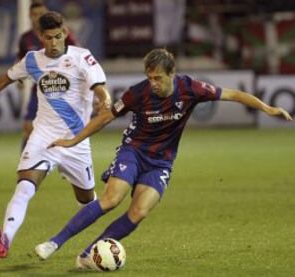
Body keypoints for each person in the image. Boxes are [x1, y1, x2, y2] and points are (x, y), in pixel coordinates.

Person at [34, 48, 293, 269]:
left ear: (171, 74)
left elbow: (235, 94)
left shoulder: (191, 88)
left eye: (157, 78)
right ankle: (54, 242)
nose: (153, 83)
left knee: (138, 212)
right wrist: (73, 140)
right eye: (149, 77)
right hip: (133, 151)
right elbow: (106, 118)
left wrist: (268, 109)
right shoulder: (137, 93)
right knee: (112, 199)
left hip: (161, 161)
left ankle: (89, 254)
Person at [0, 11, 111, 258]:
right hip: (43, 137)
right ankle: (6, 238)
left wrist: (105, 101)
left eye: (58, 36)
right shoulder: (32, 60)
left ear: (65, 33)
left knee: (88, 200)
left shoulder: (82, 57)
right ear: (40, 37)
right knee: (24, 186)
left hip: (76, 141)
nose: (55, 43)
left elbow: (100, 89)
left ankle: (91, 242)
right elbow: (3, 79)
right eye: (49, 38)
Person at [18, 2, 79, 150]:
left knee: (65, 129)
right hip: (39, 88)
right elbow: (21, 60)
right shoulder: (26, 38)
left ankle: (64, 159)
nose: (38, 17)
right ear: (29, 16)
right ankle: (26, 165)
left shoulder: (63, 33)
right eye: (35, 14)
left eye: (41, 14)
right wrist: (19, 78)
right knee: (28, 127)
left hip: (63, 88)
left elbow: (77, 54)